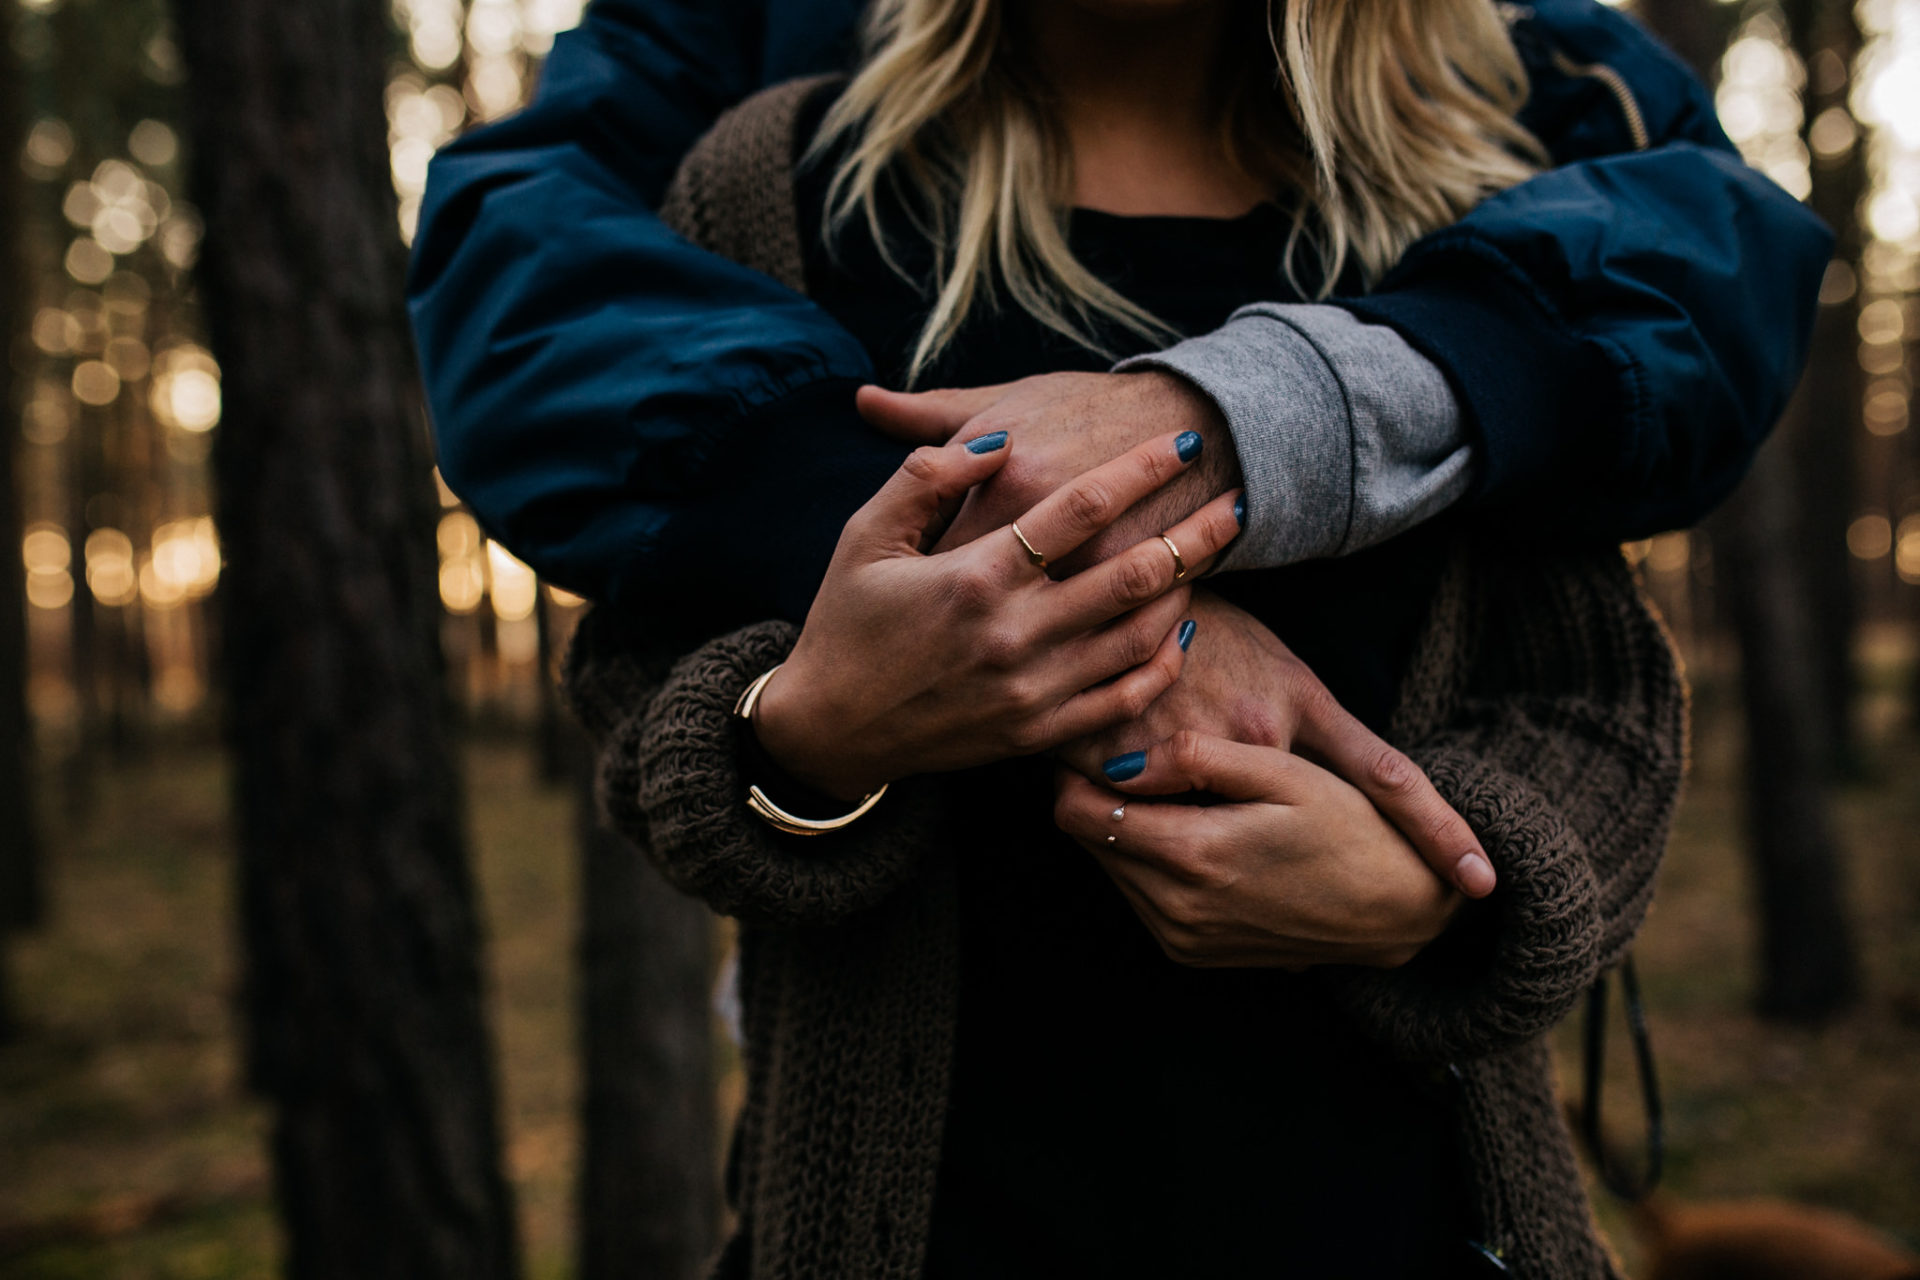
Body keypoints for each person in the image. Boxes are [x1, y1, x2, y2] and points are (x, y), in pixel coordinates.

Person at [552, 1, 1732, 1275]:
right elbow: (641, 667)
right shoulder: (779, 189)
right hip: (916, 1232)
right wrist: (809, 734)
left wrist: (1434, 889)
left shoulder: (1465, 213)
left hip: (1409, 1218)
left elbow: (1597, 703)